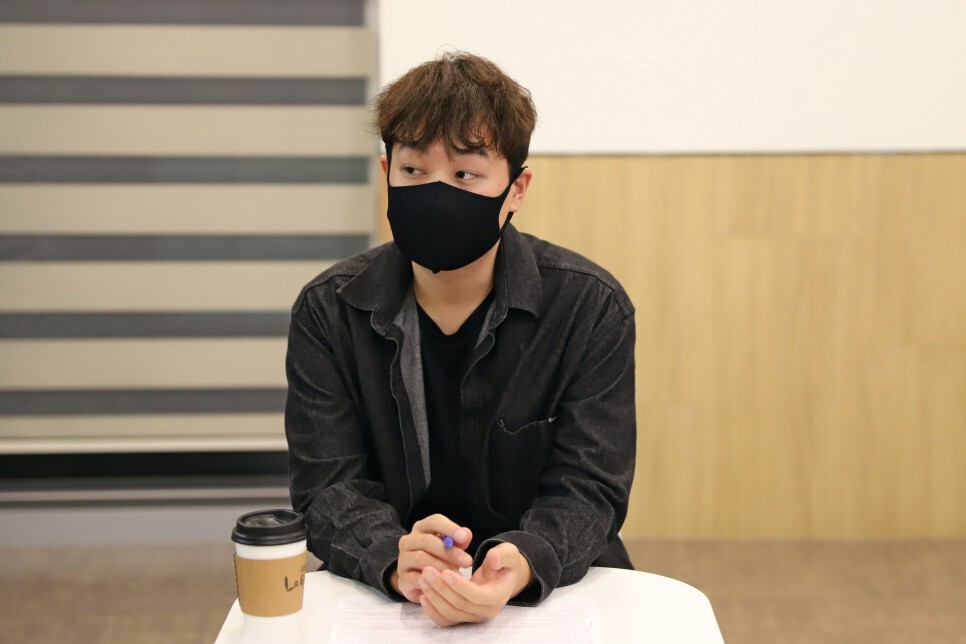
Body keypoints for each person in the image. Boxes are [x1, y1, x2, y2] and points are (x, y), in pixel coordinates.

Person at [285, 51, 636, 627]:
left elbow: (590, 487)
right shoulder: (328, 310)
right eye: (414, 171)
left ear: (516, 189)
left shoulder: (589, 307)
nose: (436, 193)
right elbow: (327, 486)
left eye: (465, 174)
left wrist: (521, 562)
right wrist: (394, 557)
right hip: (389, 590)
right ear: (386, 175)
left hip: (548, 591)